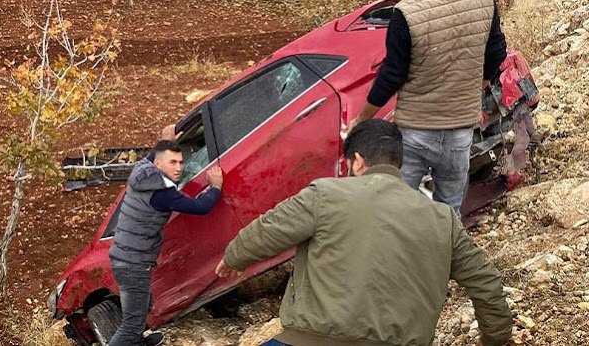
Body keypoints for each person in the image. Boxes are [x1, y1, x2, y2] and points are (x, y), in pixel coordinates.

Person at [216, 119, 512, 346]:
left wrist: (233, 257)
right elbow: (485, 282)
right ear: (397, 162)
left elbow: (268, 230)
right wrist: (495, 337)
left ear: (357, 162)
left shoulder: (325, 193)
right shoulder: (442, 218)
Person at [350, 0, 507, 217]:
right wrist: (476, 88)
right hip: (460, 130)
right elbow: (497, 52)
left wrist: (361, 119)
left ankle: (404, 254)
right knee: (449, 214)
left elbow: (391, 76)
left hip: (415, 133)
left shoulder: (406, 12)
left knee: (400, 213)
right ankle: (444, 253)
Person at [108, 138, 224, 346]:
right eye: (173, 163)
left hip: (126, 258)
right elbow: (200, 207)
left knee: (144, 305)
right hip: (132, 263)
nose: (179, 168)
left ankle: (138, 343)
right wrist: (215, 187)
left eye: (180, 162)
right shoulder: (163, 194)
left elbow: (154, 155)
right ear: (159, 164)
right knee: (132, 323)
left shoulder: (142, 172)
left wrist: (167, 141)